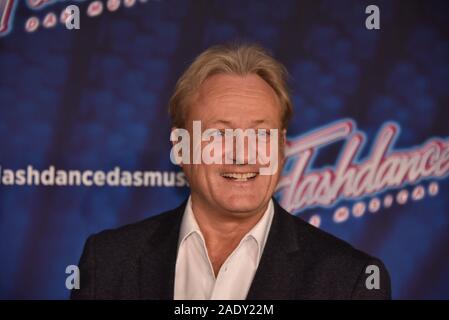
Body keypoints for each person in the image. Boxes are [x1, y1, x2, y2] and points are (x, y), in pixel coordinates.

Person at [71, 43, 391, 300]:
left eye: (261, 134)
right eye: (220, 134)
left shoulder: (350, 281)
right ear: (180, 148)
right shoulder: (109, 263)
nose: (243, 154)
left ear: (282, 149)